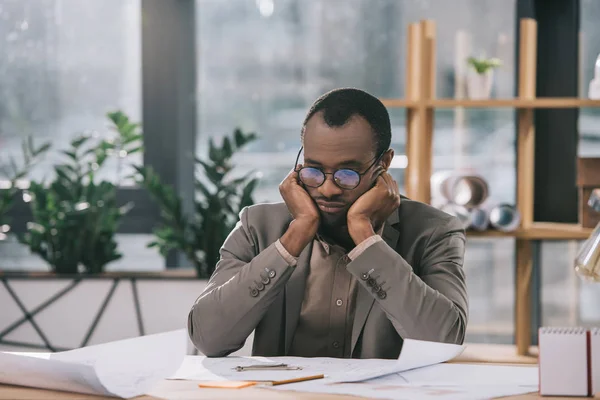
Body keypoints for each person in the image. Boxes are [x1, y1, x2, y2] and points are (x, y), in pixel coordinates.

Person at [188, 88, 468, 359]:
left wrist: (366, 239)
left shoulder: (434, 232)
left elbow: (443, 343)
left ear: (384, 162)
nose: (328, 189)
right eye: (314, 171)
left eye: (348, 174)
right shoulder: (257, 226)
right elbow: (208, 338)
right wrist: (293, 238)